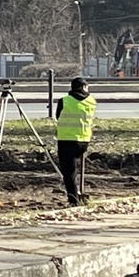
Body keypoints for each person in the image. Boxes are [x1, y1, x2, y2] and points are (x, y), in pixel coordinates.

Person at [55, 77, 97, 206]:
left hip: (67, 140)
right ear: (84, 87)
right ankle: (79, 192)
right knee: (76, 169)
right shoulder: (92, 101)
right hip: (84, 140)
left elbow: (58, 116)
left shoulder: (64, 101)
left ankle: (73, 199)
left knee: (69, 172)